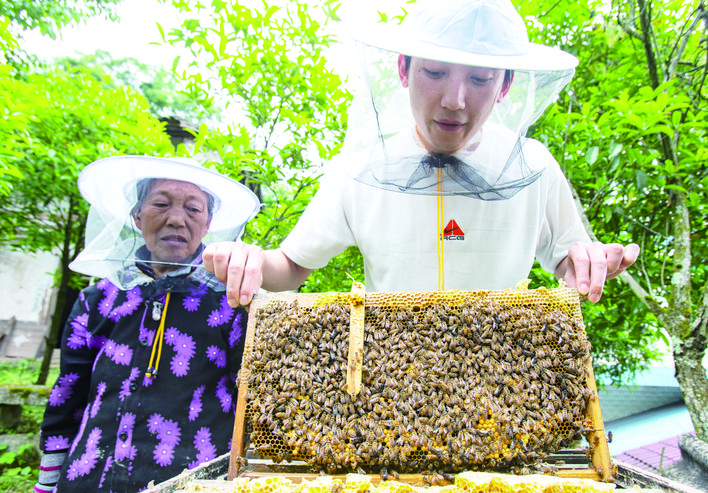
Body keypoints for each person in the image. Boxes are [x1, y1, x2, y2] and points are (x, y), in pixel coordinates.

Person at [204, 0, 639, 307]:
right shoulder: (359, 169)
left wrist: (588, 261)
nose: (455, 99)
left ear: (506, 86)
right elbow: (290, 268)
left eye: (481, 79)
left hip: (503, 388)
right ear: (403, 69)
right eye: (434, 71)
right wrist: (251, 259)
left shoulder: (534, 164)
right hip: (393, 391)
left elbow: (569, 260)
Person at [35, 156, 260, 492]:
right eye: (161, 204)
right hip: (90, 479)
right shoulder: (99, 299)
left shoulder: (231, 302)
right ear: (137, 216)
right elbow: (67, 392)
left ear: (208, 221)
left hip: (195, 483)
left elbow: (253, 399)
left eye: (193, 209)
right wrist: (47, 483)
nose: (176, 219)